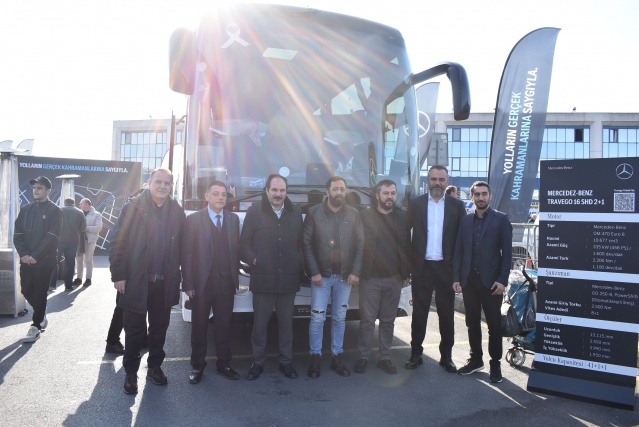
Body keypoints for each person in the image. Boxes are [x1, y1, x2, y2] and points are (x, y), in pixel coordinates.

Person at [109, 168, 185, 395]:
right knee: (134, 331)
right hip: (136, 281)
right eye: (158, 182)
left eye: (167, 183)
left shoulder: (177, 212)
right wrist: (118, 275)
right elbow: (118, 242)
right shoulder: (132, 208)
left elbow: (184, 247)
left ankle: (154, 368)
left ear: (171, 186)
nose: (162, 186)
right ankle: (131, 373)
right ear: (149, 183)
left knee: (159, 329)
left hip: (165, 282)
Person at [240, 174, 303, 380]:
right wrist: (254, 260)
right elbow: (244, 243)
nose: (278, 194)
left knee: (286, 325)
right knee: (260, 326)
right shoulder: (254, 212)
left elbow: (301, 243)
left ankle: (286, 362)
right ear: (266, 191)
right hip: (263, 278)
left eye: (282, 190)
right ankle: (257, 363)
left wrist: (297, 261)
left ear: (286, 192)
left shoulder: (295, 212)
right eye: (274, 190)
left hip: (288, 279)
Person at [406, 165, 466, 372]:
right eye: (434, 179)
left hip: (446, 269)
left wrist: (459, 273)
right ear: (428, 180)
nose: (437, 183)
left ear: (447, 181)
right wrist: (408, 266)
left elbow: (462, 241)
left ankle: (446, 357)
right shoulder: (416, 204)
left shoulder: (457, 206)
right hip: (421, 268)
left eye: (441, 179)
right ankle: (416, 354)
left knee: (446, 314)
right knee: (419, 314)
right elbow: (405, 236)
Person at [303, 177, 364, 379]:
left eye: (342, 189)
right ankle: (315, 357)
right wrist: (314, 271)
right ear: (327, 191)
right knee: (317, 318)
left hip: (345, 277)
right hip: (321, 276)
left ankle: (337, 356)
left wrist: (355, 271)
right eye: (335, 189)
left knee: (339, 318)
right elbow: (306, 244)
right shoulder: (314, 213)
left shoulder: (354, 214)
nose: (339, 192)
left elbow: (360, 245)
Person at [453, 181, 512, 383]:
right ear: (471, 197)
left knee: (494, 326)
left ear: (490, 196)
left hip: (492, 283)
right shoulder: (465, 221)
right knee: (472, 323)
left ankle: (495, 365)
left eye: (484, 194)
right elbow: (459, 251)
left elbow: (507, 254)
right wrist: (457, 278)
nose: (480, 197)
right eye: (477, 194)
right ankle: (476, 360)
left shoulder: (501, 219)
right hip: (469, 281)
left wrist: (502, 280)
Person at [182, 181, 241, 384]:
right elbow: (187, 254)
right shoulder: (193, 219)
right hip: (201, 284)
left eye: (224, 194)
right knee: (199, 327)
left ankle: (224, 364)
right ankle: (197, 366)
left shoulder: (233, 219)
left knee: (224, 326)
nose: (220, 197)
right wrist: (188, 283)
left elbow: (236, 250)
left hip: (226, 283)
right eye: (216, 194)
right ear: (207, 196)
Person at [353, 179, 411, 375]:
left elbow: (406, 246)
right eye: (386, 193)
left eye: (393, 193)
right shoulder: (364, 216)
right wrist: (356, 271)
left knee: (388, 320)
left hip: (394, 278)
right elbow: (357, 245)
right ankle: (363, 357)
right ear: (377, 195)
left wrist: (406, 273)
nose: (390, 197)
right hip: (370, 277)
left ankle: (384, 358)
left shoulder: (402, 218)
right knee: (367, 320)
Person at [13, 176, 62, 343]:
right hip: (26, 260)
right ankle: (41, 314)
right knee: (26, 290)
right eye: (34, 187)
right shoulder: (25, 209)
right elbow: (18, 234)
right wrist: (24, 254)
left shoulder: (55, 210)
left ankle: (35, 327)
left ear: (48, 190)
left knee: (40, 292)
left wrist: (36, 255)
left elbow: (52, 236)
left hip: (45, 261)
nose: (35, 190)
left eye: (39, 188)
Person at [51, 198, 86, 291]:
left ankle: (52, 285)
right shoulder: (80, 212)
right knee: (70, 264)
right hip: (73, 241)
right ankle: (68, 285)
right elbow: (83, 228)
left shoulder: (58, 210)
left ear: (65, 203)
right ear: (73, 204)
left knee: (54, 262)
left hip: (59, 240)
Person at [73, 198, 103, 287]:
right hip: (79, 240)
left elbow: (98, 228)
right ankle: (79, 278)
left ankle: (88, 279)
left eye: (81, 204)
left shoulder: (97, 214)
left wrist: (85, 228)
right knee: (79, 259)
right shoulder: (78, 213)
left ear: (86, 204)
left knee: (88, 260)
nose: (79, 205)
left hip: (90, 241)